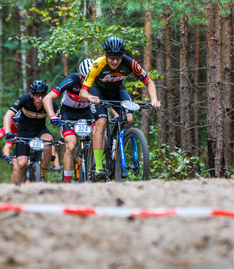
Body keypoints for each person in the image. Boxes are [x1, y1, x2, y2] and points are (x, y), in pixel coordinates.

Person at [79, 37, 161, 179]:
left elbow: (149, 82)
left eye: (118, 58)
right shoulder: (97, 65)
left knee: (128, 119)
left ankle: (118, 155)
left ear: (122, 55)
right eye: (112, 58)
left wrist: (154, 100)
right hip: (98, 92)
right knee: (102, 123)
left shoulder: (131, 63)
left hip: (118, 91)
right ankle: (98, 167)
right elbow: (82, 92)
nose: (115, 61)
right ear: (106, 54)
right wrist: (89, 97)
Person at [44, 59, 95, 183]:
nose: (87, 83)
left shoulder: (96, 82)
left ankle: (96, 169)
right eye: (85, 79)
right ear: (80, 76)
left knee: (98, 136)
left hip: (86, 112)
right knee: (71, 146)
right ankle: (67, 182)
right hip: (68, 113)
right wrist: (52, 116)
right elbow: (48, 98)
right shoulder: (71, 80)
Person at [2, 80, 58, 183]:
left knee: (49, 143)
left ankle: (42, 175)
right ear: (31, 94)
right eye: (37, 95)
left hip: (40, 130)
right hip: (24, 132)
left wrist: (63, 137)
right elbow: (8, 115)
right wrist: (8, 133)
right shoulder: (24, 99)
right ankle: (18, 189)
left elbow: (61, 122)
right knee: (22, 164)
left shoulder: (51, 104)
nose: (40, 99)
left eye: (42, 95)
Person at [0, 111, 20, 183]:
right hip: (15, 140)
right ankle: (12, 187)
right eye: (15, 121)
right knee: (15, 166)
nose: (17, 123)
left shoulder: (27, 123)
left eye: (19, 121)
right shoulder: (10, 124)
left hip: (28, 140)